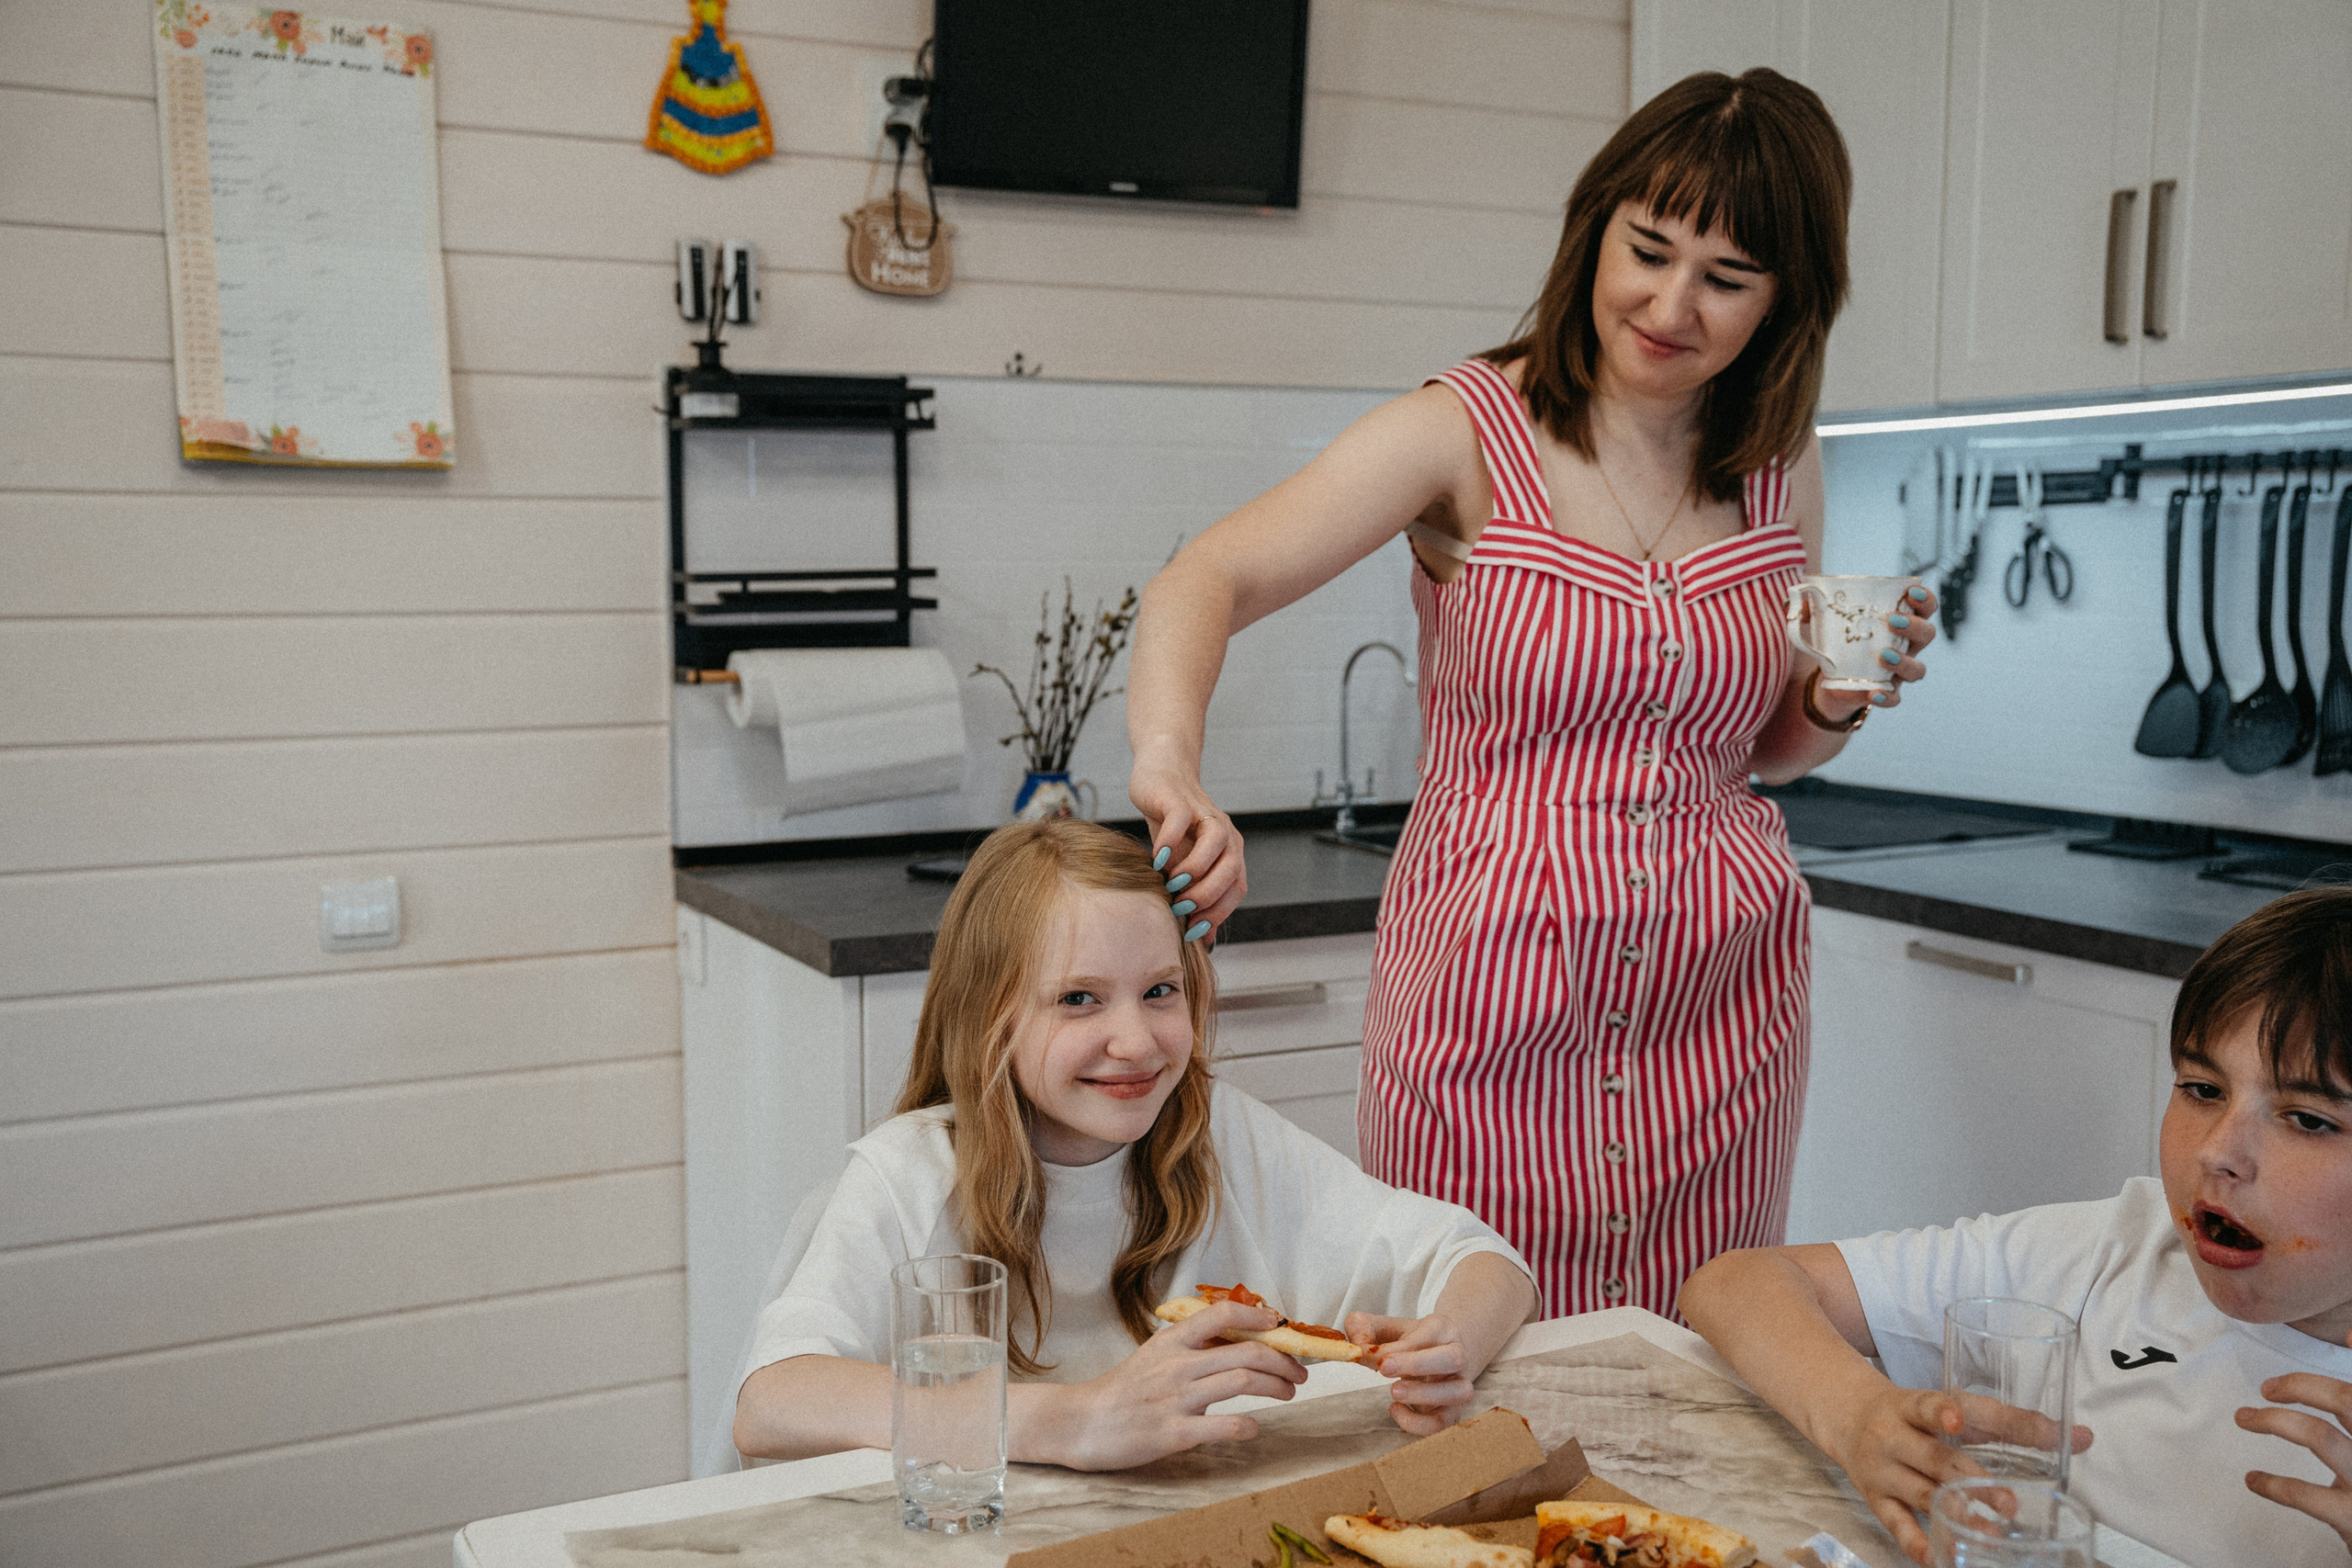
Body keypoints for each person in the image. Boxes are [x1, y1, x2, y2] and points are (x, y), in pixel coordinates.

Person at [1125, 69, 1938, 1319]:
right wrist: (1170, 765)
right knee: (1466, 1349)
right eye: (1649, 250)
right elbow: (1207, 574)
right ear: (1595, 228)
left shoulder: (1780, 461)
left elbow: (1763, 750)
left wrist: (1837, 693)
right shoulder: (1466, 427)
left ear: (1789, 300)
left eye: (1726, 279)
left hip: (1722, 1010)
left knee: (1696, 1357)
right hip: (1489, 1000)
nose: (1671, 304)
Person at [730, 818, 1538, 1471]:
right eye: (1079, 999)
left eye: (1161, 991)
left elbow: (1484, 1258)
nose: (1136, 1041)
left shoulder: (1222, 1134)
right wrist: (1074, 1418)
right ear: (988, 1021)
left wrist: (1451, 1345)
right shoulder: (909, 1176)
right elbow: (770, 1403)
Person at [1680, 886, 2352, 1568]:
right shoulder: (2113, 1248)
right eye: (2202, 1089)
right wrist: (1856, 1415)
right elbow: (1734, 1282)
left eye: (2309, 1119)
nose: (2218, 1151)